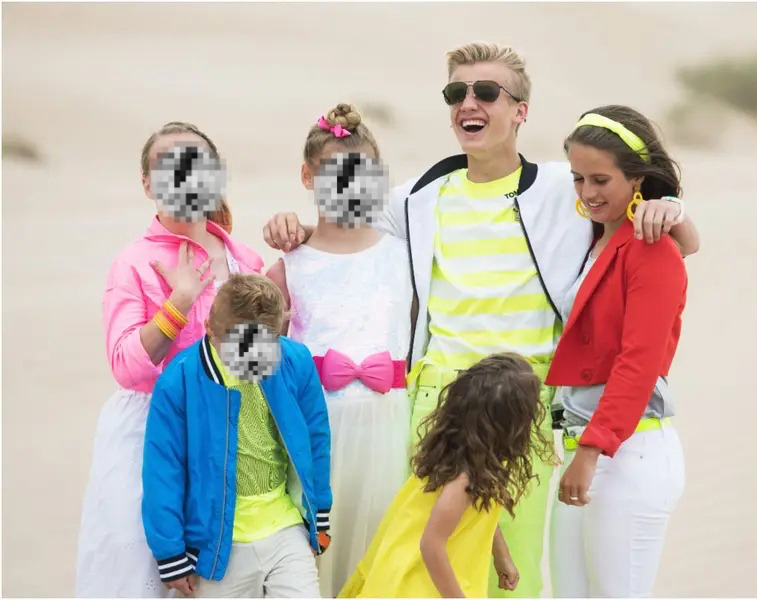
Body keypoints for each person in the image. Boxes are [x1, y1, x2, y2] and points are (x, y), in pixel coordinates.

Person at [262, 42, 700, 598]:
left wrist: (676, 210)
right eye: (456, 93)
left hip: (522, 408)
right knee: (423, 567)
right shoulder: (419, 196)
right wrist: (291, 226)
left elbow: (630, 206)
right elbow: (341, 220)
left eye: (487, 92)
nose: (469, 102)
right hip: (435, 406)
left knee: (510, 576)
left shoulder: (565, 187)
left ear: (521, 110)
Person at [75, 122, 263, 597]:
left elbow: (262, 364)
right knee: (139, 581)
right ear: (147, 184)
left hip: (227, 434)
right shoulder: (133, 261)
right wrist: (177, 307)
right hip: (146, 440)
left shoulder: (246, 260)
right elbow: (126, 367)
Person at [265, 102, 413, 598]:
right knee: (312, 557)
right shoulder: (291, 264)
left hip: (388, 427)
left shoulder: (403, 254)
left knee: (378, 550)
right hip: (315, 428)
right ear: (308, 177)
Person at [545, 105, 688, 597]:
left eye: (601, 179)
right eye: (578, 178)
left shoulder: (651, 247)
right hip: (584, 448)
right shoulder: (591, 239)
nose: (587, 193)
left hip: (630, 454)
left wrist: (591, 450)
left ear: (637, 178)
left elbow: (640, 362)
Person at [142, 274, 332, 597]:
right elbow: (163, 470)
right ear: (210, 327)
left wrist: (320, 516)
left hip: (286, 527)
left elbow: (316, 440)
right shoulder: (179, 382)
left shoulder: (295, 362)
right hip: (216, 544)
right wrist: (170, 553)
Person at [339, 353, 553, 598]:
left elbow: (482, 509)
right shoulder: (464, 480)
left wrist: (501, 555)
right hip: (417, 585)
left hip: (433, 578)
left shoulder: (476, 463)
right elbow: (431, 545)